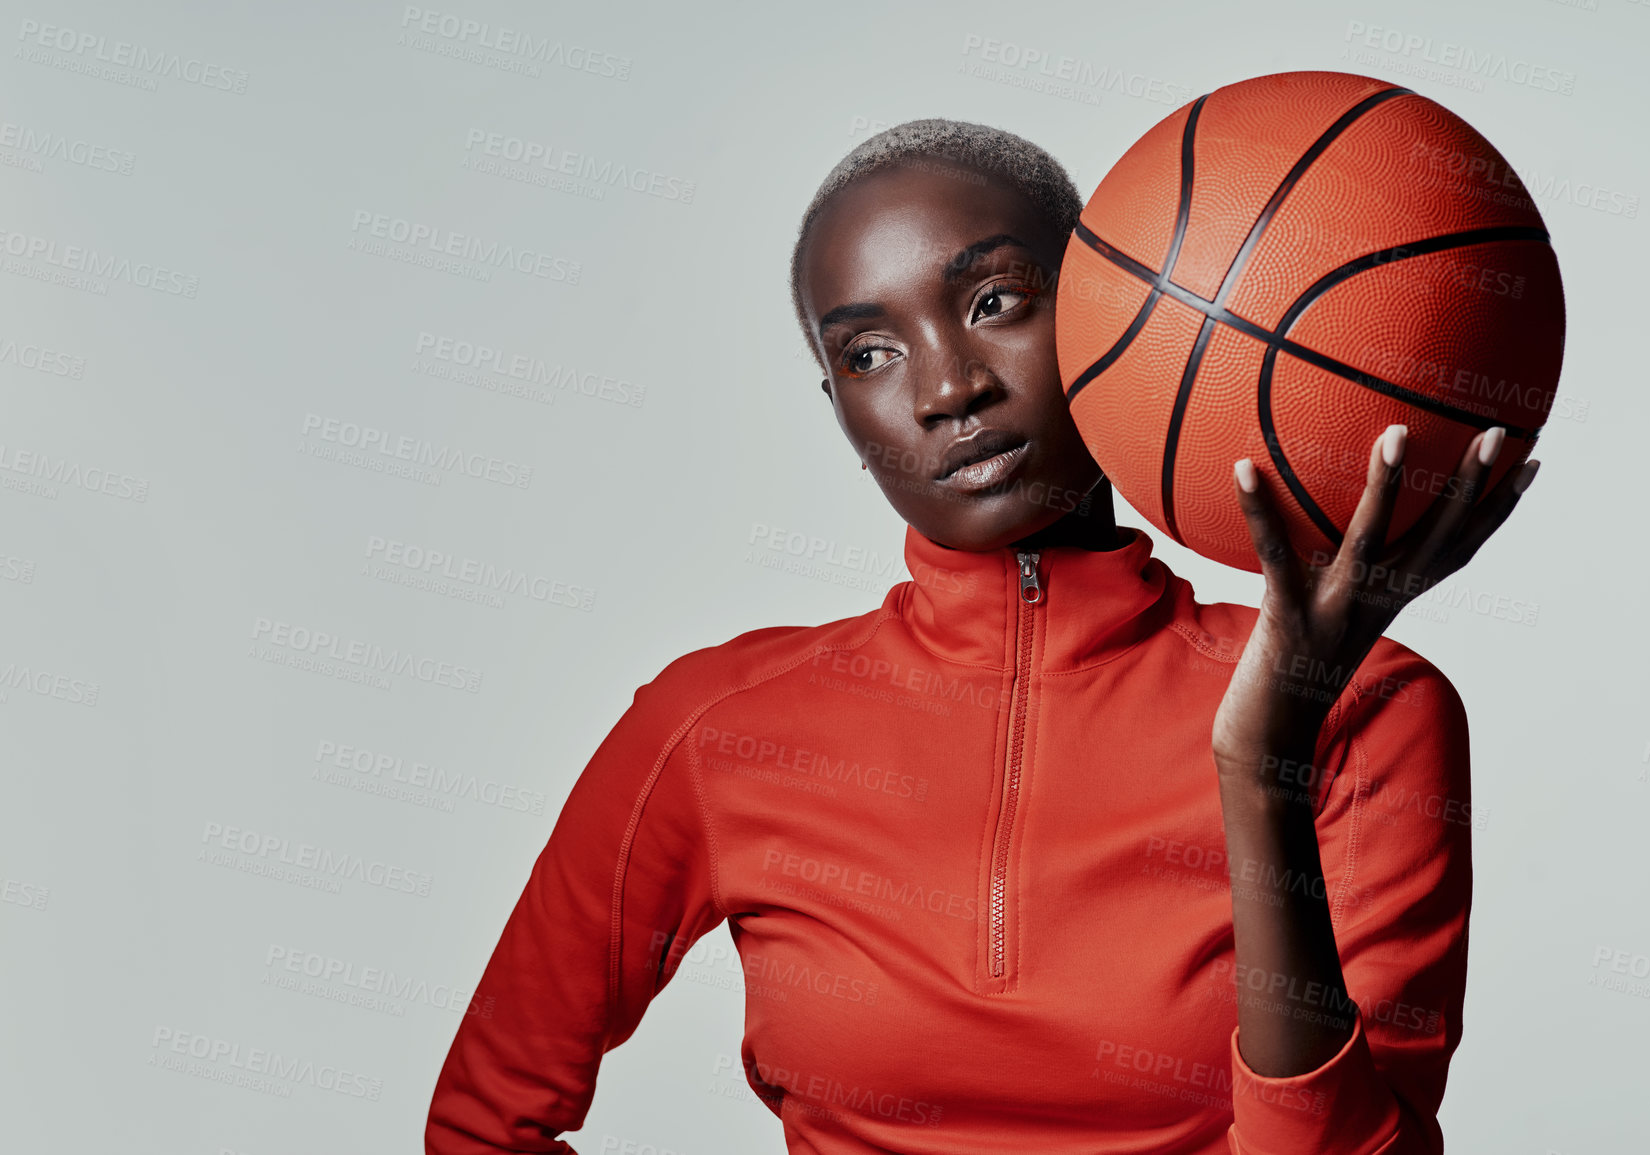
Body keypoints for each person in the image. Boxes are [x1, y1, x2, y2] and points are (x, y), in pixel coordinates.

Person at [425, 118, 1539, 1154]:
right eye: (869, 354)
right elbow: (483, 1127)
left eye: (997, 301)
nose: (948, 389)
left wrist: (1265, 772)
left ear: (1119, 316)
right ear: (839, 411)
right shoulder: (718, 727)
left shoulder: (1371, 708)